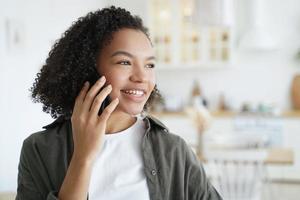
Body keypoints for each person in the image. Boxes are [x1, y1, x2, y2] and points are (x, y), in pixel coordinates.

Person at [16, 6, 222, 200]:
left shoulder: (173, 150)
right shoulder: (39, 149)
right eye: (125, 62)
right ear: (88, 68)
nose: (142, 77)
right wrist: (83, 158)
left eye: (150, 64)